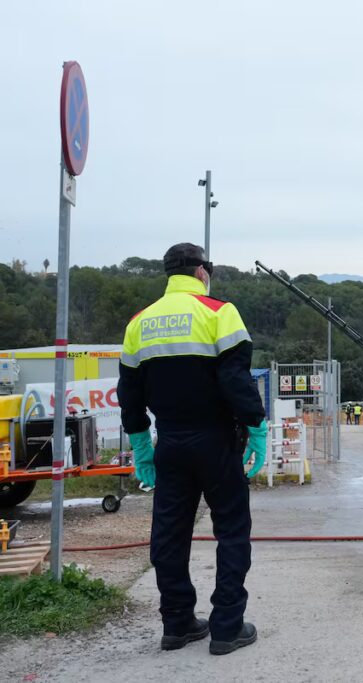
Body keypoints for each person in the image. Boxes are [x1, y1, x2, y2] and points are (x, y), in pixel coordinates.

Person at [117, 243, 266, 655]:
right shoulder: (220, 312)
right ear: (203, 272)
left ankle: (178, 624)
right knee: (232, 531)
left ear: (169, 273)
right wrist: (256, 425)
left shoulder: (139, 323)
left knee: (169, 534)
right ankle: (226, 628)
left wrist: (142, 446)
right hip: (217, 440)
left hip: (171, 443)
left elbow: (128, 394)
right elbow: (236, 379)